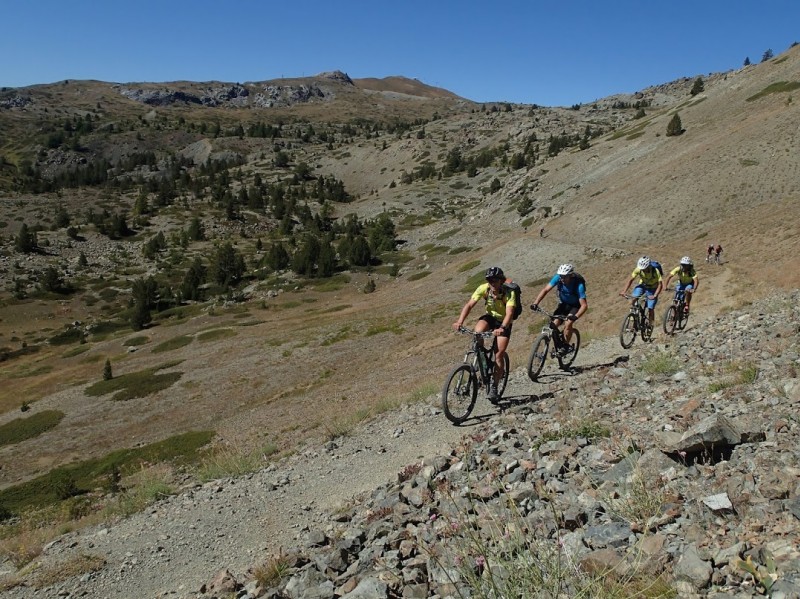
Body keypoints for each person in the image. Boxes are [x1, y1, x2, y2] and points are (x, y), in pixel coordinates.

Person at [453, 266, 516, 400]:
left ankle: (494, 386)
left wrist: (502, 328)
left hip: (504, 322)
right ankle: (482, 361)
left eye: (495, 280)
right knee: (477, 333)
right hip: (491, 317)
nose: (492, 283)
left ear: (501, 280)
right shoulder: (484, 288)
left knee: (498, 354)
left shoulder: (509, 292)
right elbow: (469, 305)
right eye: (489, 280)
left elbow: (510, 313)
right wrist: (460, 321)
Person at [530, 263, 587, 354]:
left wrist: (576, 316)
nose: (562, 279)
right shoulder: (558, 278)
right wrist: (535, 303)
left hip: (575, 306)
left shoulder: (578, 285)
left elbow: (584, 305)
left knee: (568, 323)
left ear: (570, 275)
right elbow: (545, 290)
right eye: (561, 276)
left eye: (564, 277)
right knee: (553, 324)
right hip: (564, 304)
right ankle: (558, 344)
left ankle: (565, 346)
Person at [620, 255, 663, 326]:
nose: (642, 270)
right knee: (634, 297)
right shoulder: (638, 269)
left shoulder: (655, 271)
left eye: (644, 269)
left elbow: (660, 284)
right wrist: (624, 291)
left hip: (653, 288)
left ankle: (650, 324)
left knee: (650, 308)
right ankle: (634, 314)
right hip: (643, 285)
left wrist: (654, 295)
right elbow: (631, 280)